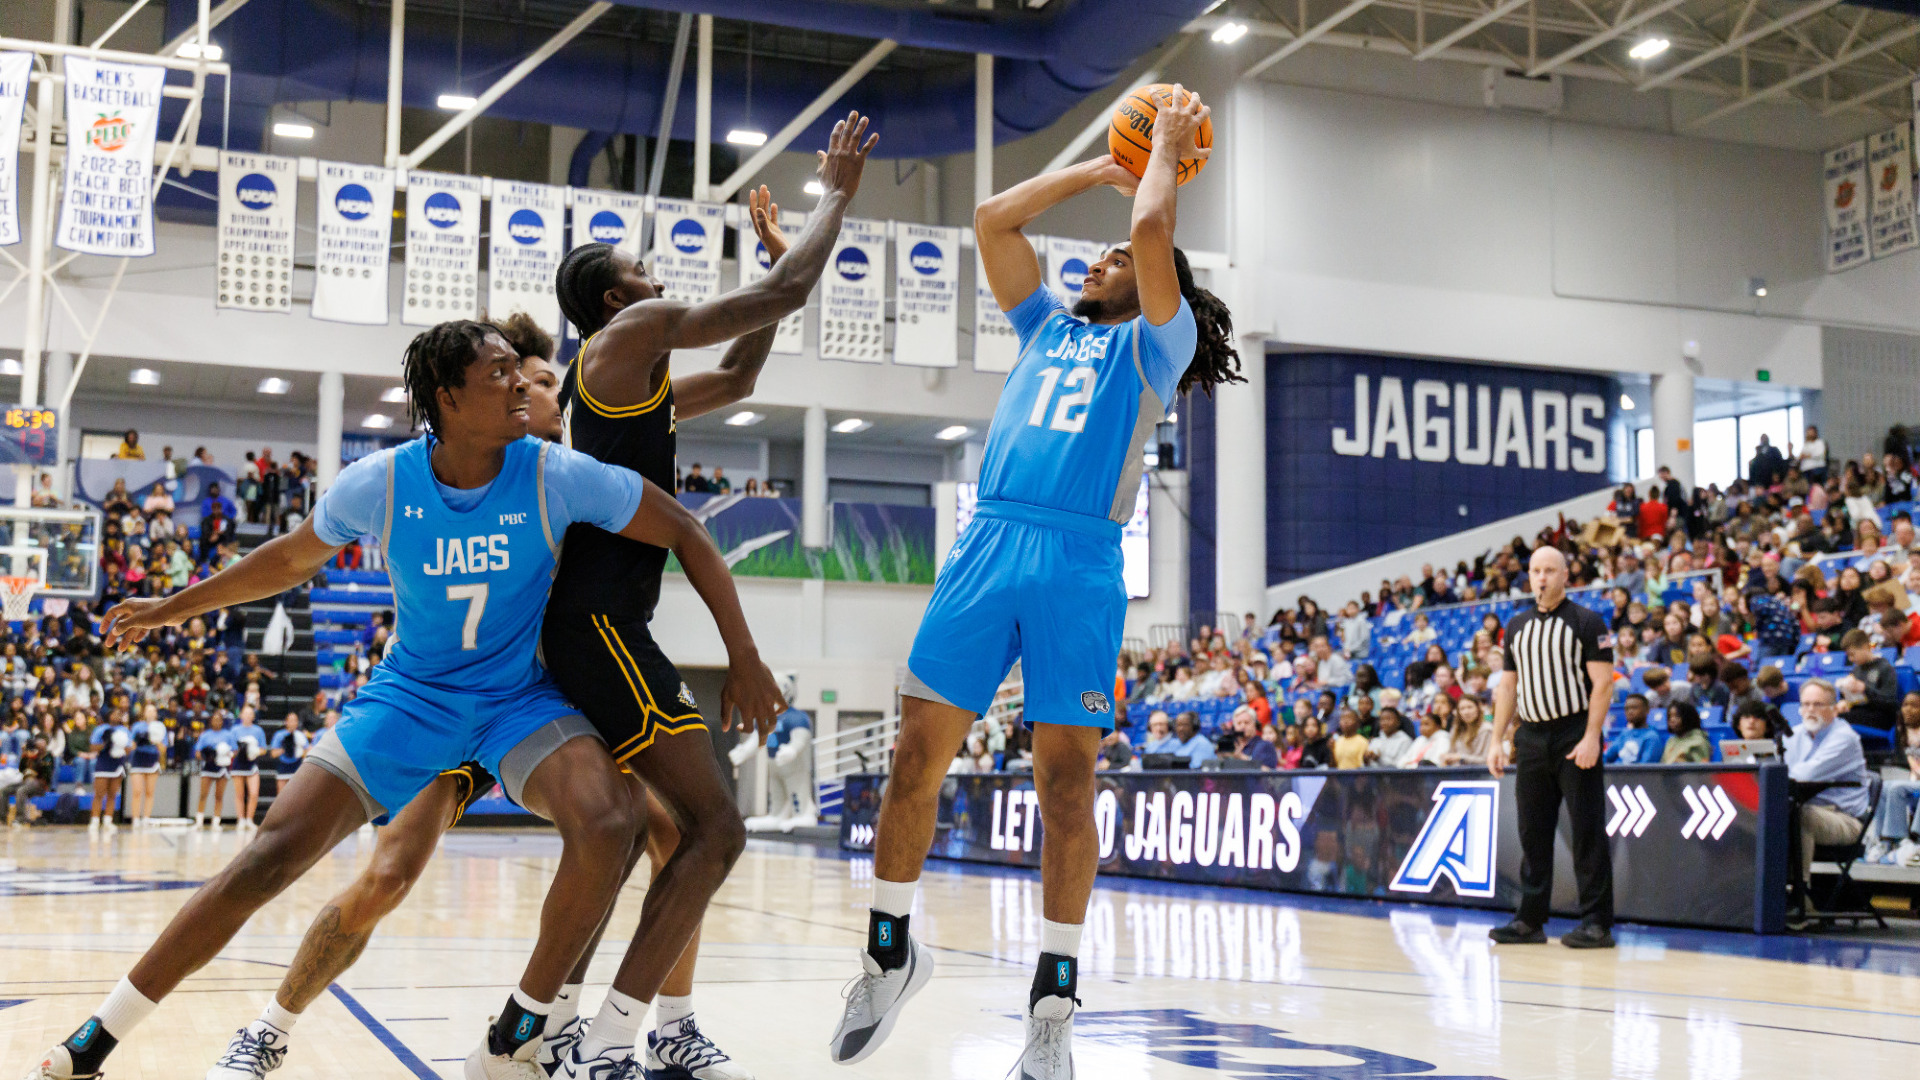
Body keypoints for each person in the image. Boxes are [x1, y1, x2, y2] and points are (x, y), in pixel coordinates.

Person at [25, 321, 785, 1080]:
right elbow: (287, 558)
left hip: (517, 698)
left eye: (523, 374)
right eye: (499, 375)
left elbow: (682, 524)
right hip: (414, 697)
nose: (522, 382)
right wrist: (172, 607)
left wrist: (743, 655)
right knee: (278, 857)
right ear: (448, 398)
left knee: (618, 820)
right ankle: (106, 1037)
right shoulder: (382, 481)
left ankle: (532, 1024)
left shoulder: (554, 470)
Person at [830, 90, 1235, 1078]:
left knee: (1066, 786)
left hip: (1077, 562)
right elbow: (992, 218)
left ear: (1153, 287)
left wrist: (1164, 164)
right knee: (913, 760)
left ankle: (1052, 1005)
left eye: (1113, 261)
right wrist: (1102, 167)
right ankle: (891, 954)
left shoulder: (1157, 346)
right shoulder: (1048, 330)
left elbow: (1147, 230)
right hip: (990, 542)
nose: (1094, 256)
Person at [545, 125, 874, 1080]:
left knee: (657, 832)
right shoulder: (624, 339)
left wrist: (776, 268)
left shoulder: (633, 381)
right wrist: (835, 201)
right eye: (647, 271)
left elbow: (739, 372)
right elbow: (782, 295)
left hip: (607, 621)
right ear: (618, 299)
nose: (660, 279)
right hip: (600, 625)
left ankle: (617, 1021)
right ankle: (607, 1035)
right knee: (714, 828)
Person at [1486, 547, 1616, 949]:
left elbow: (1604, 684)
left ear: (1565, 575)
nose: (1541, 578)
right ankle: (1530, 920)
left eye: (1549, 571)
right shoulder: (1517, 625)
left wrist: (1592, 736)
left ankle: (1596, 923)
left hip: (1574, 733)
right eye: (1535, 571)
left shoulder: (1587, 621)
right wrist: (1496, 739)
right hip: (1531, 736)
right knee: (1532, 832)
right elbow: (1508, 686)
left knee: (1587, 830)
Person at [1785, 679, 1872, 906]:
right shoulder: (1793, 736)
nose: (1810, 710)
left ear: (1834, 708)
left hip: (1846, 820)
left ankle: (1799, 897)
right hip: (1808, 809)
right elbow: (1781, 772)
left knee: (1801, 815)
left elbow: (1802, 776)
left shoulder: (1844, 738)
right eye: (1805, 704)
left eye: (1818, 704)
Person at [1865, 692, 1920, 866]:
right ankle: (1883, 841)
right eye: (1905, 705)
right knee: (1884, 785)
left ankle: (1901, 839)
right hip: (1910, 778)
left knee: (1896, 788)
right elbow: (1903, 760)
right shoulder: (1899, 732)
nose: (1908, 709)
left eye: (1914, 705)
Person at [1835, 628, 1901, 731]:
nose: (1850, 659)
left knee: (1837, 720)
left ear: (1865, 647)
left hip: (1881, 716)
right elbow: (1851, 699)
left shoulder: (1884, 667)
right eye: (1848, 656)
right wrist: (1844, 702)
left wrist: (1864, 689)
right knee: (1833, 714)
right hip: (1860, 712)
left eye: (1852, 654)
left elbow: (1890, 703)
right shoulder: (1856, 670)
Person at [226, 705, 268, 831]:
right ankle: (241, 819)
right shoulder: (234, 730)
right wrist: (239, 750)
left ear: (253, 716)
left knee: (254, 793)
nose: (248, 716)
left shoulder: (258, 731)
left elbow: (264, 749)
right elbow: (231, 749)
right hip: (238, 764)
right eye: (246, 713)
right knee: (239, 794)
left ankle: (249, 819)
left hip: (252, 765)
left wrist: (254, 751)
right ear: (241, 715)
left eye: (251, 713)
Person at [87, 711, 130, 832]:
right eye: (114, 713)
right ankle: (94, 821)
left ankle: (108, 821)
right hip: (104, 762)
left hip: (118, 763)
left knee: (112, 794)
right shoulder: (101, 729)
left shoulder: (124, 730)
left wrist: (119, 745)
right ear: (109, 715)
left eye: (119, 714)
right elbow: (93, 747)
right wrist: (106, 744)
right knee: (99, 793)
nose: (117, 716)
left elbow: (129, 748)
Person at [192, 711, 235, 829]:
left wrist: (227, 754)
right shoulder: (205, 735)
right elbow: (197, 752)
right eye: (214, 719)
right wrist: (207, 756)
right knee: (203, 794)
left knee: (219, 795)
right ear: (211, 721)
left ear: (222, 721)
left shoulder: (228, 735)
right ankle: (199, 821)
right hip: (208, 766)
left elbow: (234, 751)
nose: (217, 722)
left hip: (222, 767)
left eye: (219, 719)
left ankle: (216, 822)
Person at [1604, 694, 1666, 764]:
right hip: (1619, 773)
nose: (1630, 712)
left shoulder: (1652, 737)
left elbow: (1646, 770)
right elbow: (1607, 758)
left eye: (1634, 708)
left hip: (1635, 774)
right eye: (1627, 708)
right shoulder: (1624, 734)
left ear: (1647, 710)